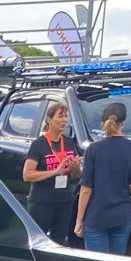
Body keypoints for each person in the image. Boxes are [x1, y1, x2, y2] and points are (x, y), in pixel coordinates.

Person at [74, 101, 131, 255]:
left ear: (102, 124)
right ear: (123, 124)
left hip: (96, 215)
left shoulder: (93, 149)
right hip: (121, 215)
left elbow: (86, 189)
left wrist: (79, 220)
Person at [22, 99, 82, 245]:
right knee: (38, 240)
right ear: (49, 120)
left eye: (66, 116)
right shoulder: (39, 144)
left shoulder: (68, 142)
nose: (64, 120)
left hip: (65, 200)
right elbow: (27, 175)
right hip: (42, 202)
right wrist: (55, 171)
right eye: (60, 116)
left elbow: (77, 175)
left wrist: (75, 167)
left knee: (59, 240)